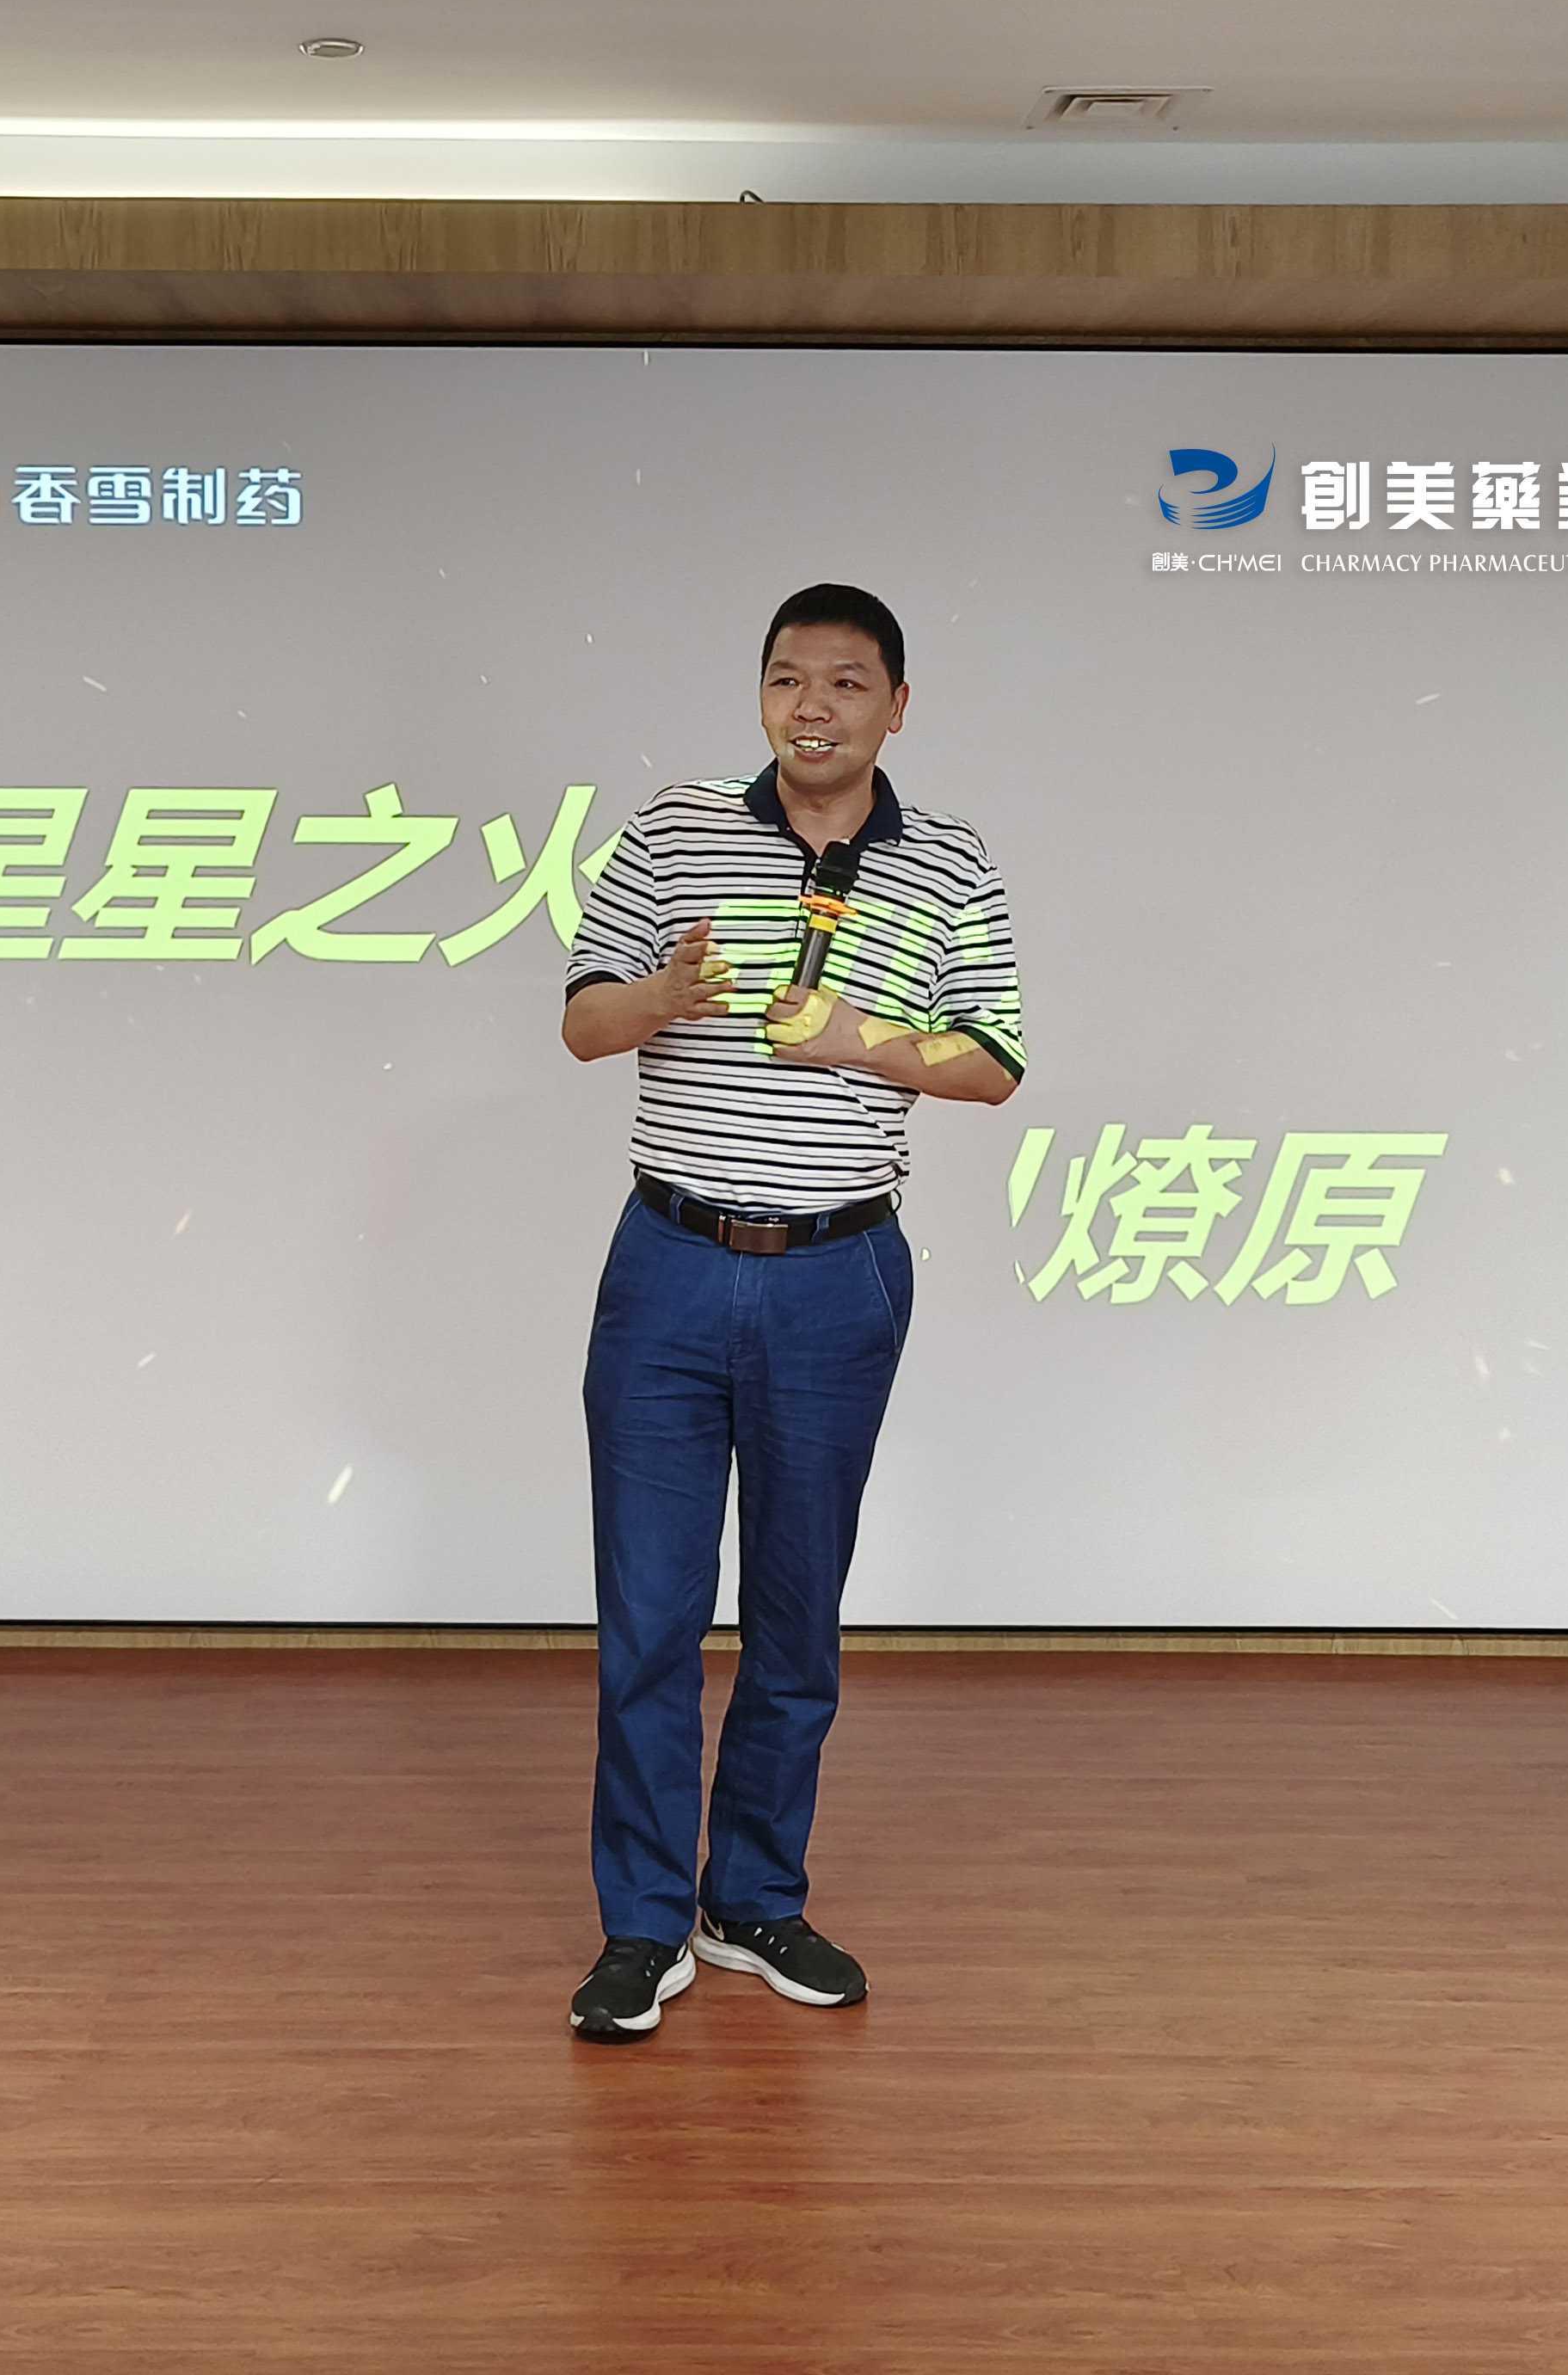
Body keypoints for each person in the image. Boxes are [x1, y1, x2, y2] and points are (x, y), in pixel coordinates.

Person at [554, 581, 1027, 2042]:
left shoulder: (951, 861)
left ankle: (752, 1898)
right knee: (647, 1615)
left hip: (837, 1272)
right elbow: (581, 1022)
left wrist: (861, 1038)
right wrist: (664, 996)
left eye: (844, 682)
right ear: (761, 696)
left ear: (898, 705)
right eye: (785, 680)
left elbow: (994, 1061)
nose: (810, 707)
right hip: (670, 1263)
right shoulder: (676, 828)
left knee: (796, 1613)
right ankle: (643, 1927)